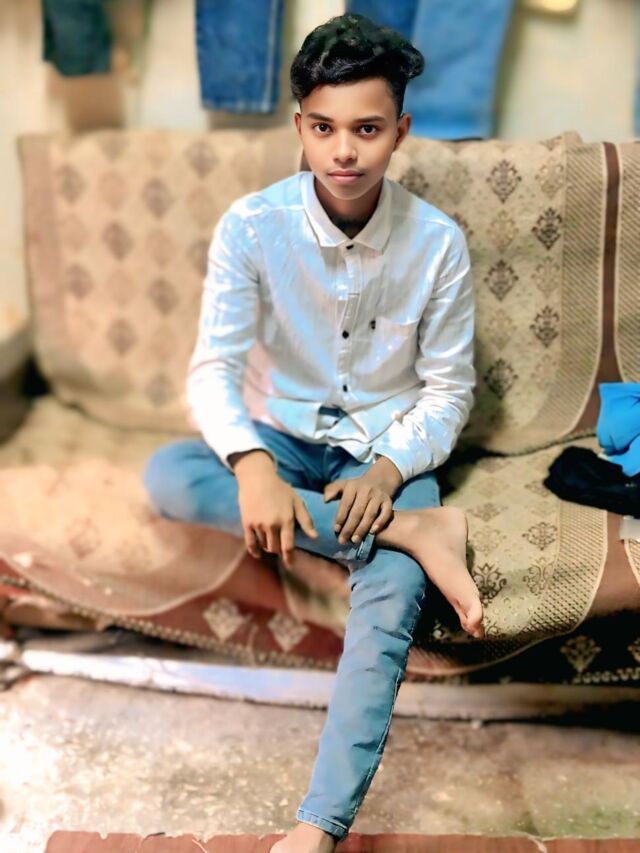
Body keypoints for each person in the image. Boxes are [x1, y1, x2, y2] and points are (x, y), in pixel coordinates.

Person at [142, 12, 484, 853]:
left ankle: (319, 826)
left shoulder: (438, 244)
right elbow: (213, 370)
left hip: (388, 447)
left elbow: (450, 391)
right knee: (169, 473)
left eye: (367, 129)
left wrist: (391, 471)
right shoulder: (252, 225)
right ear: (298, 126)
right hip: (283, 434)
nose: (344, 152)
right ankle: (417, 532)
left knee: (394, 589)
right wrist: (253, 463)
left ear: (401, 130)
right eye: (324, 128)